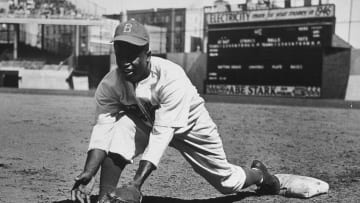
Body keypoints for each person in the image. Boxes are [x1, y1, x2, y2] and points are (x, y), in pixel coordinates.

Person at [71, 19, 280, 203]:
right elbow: (102, 131)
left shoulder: (170, 77)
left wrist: (136, 185)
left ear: (148, 55)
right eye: (120, 54)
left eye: (133, 55)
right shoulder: (110, 84)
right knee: (120, 128)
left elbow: (161, 136)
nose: (126, 62)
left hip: (191, 126)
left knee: (226, 182)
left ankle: (259, 175)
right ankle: (104, 198)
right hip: (147, 122)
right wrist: (89, 172)